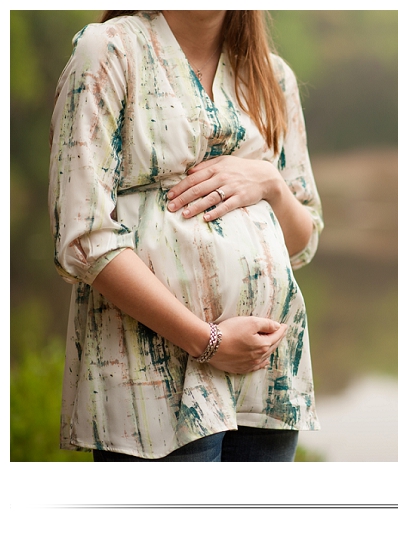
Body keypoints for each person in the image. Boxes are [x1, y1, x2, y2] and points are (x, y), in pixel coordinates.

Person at [48, 10, 323, 461]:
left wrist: (269, 183)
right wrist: (208, 341)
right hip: (151, 382)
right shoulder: (110, 51)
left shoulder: (272, 76)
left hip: (266, 379)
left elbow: (302, 241)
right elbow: (83, 239)